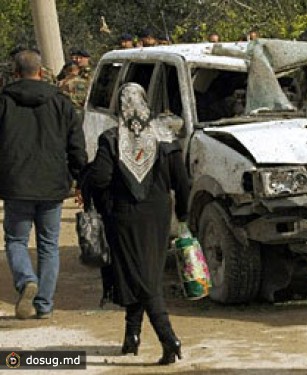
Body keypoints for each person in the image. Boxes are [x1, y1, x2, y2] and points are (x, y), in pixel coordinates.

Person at [82, 83, 189, 364]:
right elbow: (182, 182)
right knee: (142, 271)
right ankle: (132, 336)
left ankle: (169, 338)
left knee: (143, 279)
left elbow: (100, 178)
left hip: (125, 216)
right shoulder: (166, 138)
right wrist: (185, 214)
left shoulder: (111, 138)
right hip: (158, 217)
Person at [0, 49, 87, 319]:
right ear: (41, 72)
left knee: (16, 239)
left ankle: (26, 280)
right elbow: (77, 146)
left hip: (16, 183)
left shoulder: (3, 102)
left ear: (15, 73)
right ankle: (44, 305)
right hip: (52, 184)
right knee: (49, 245)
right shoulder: (61, 103)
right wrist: (80, 179)